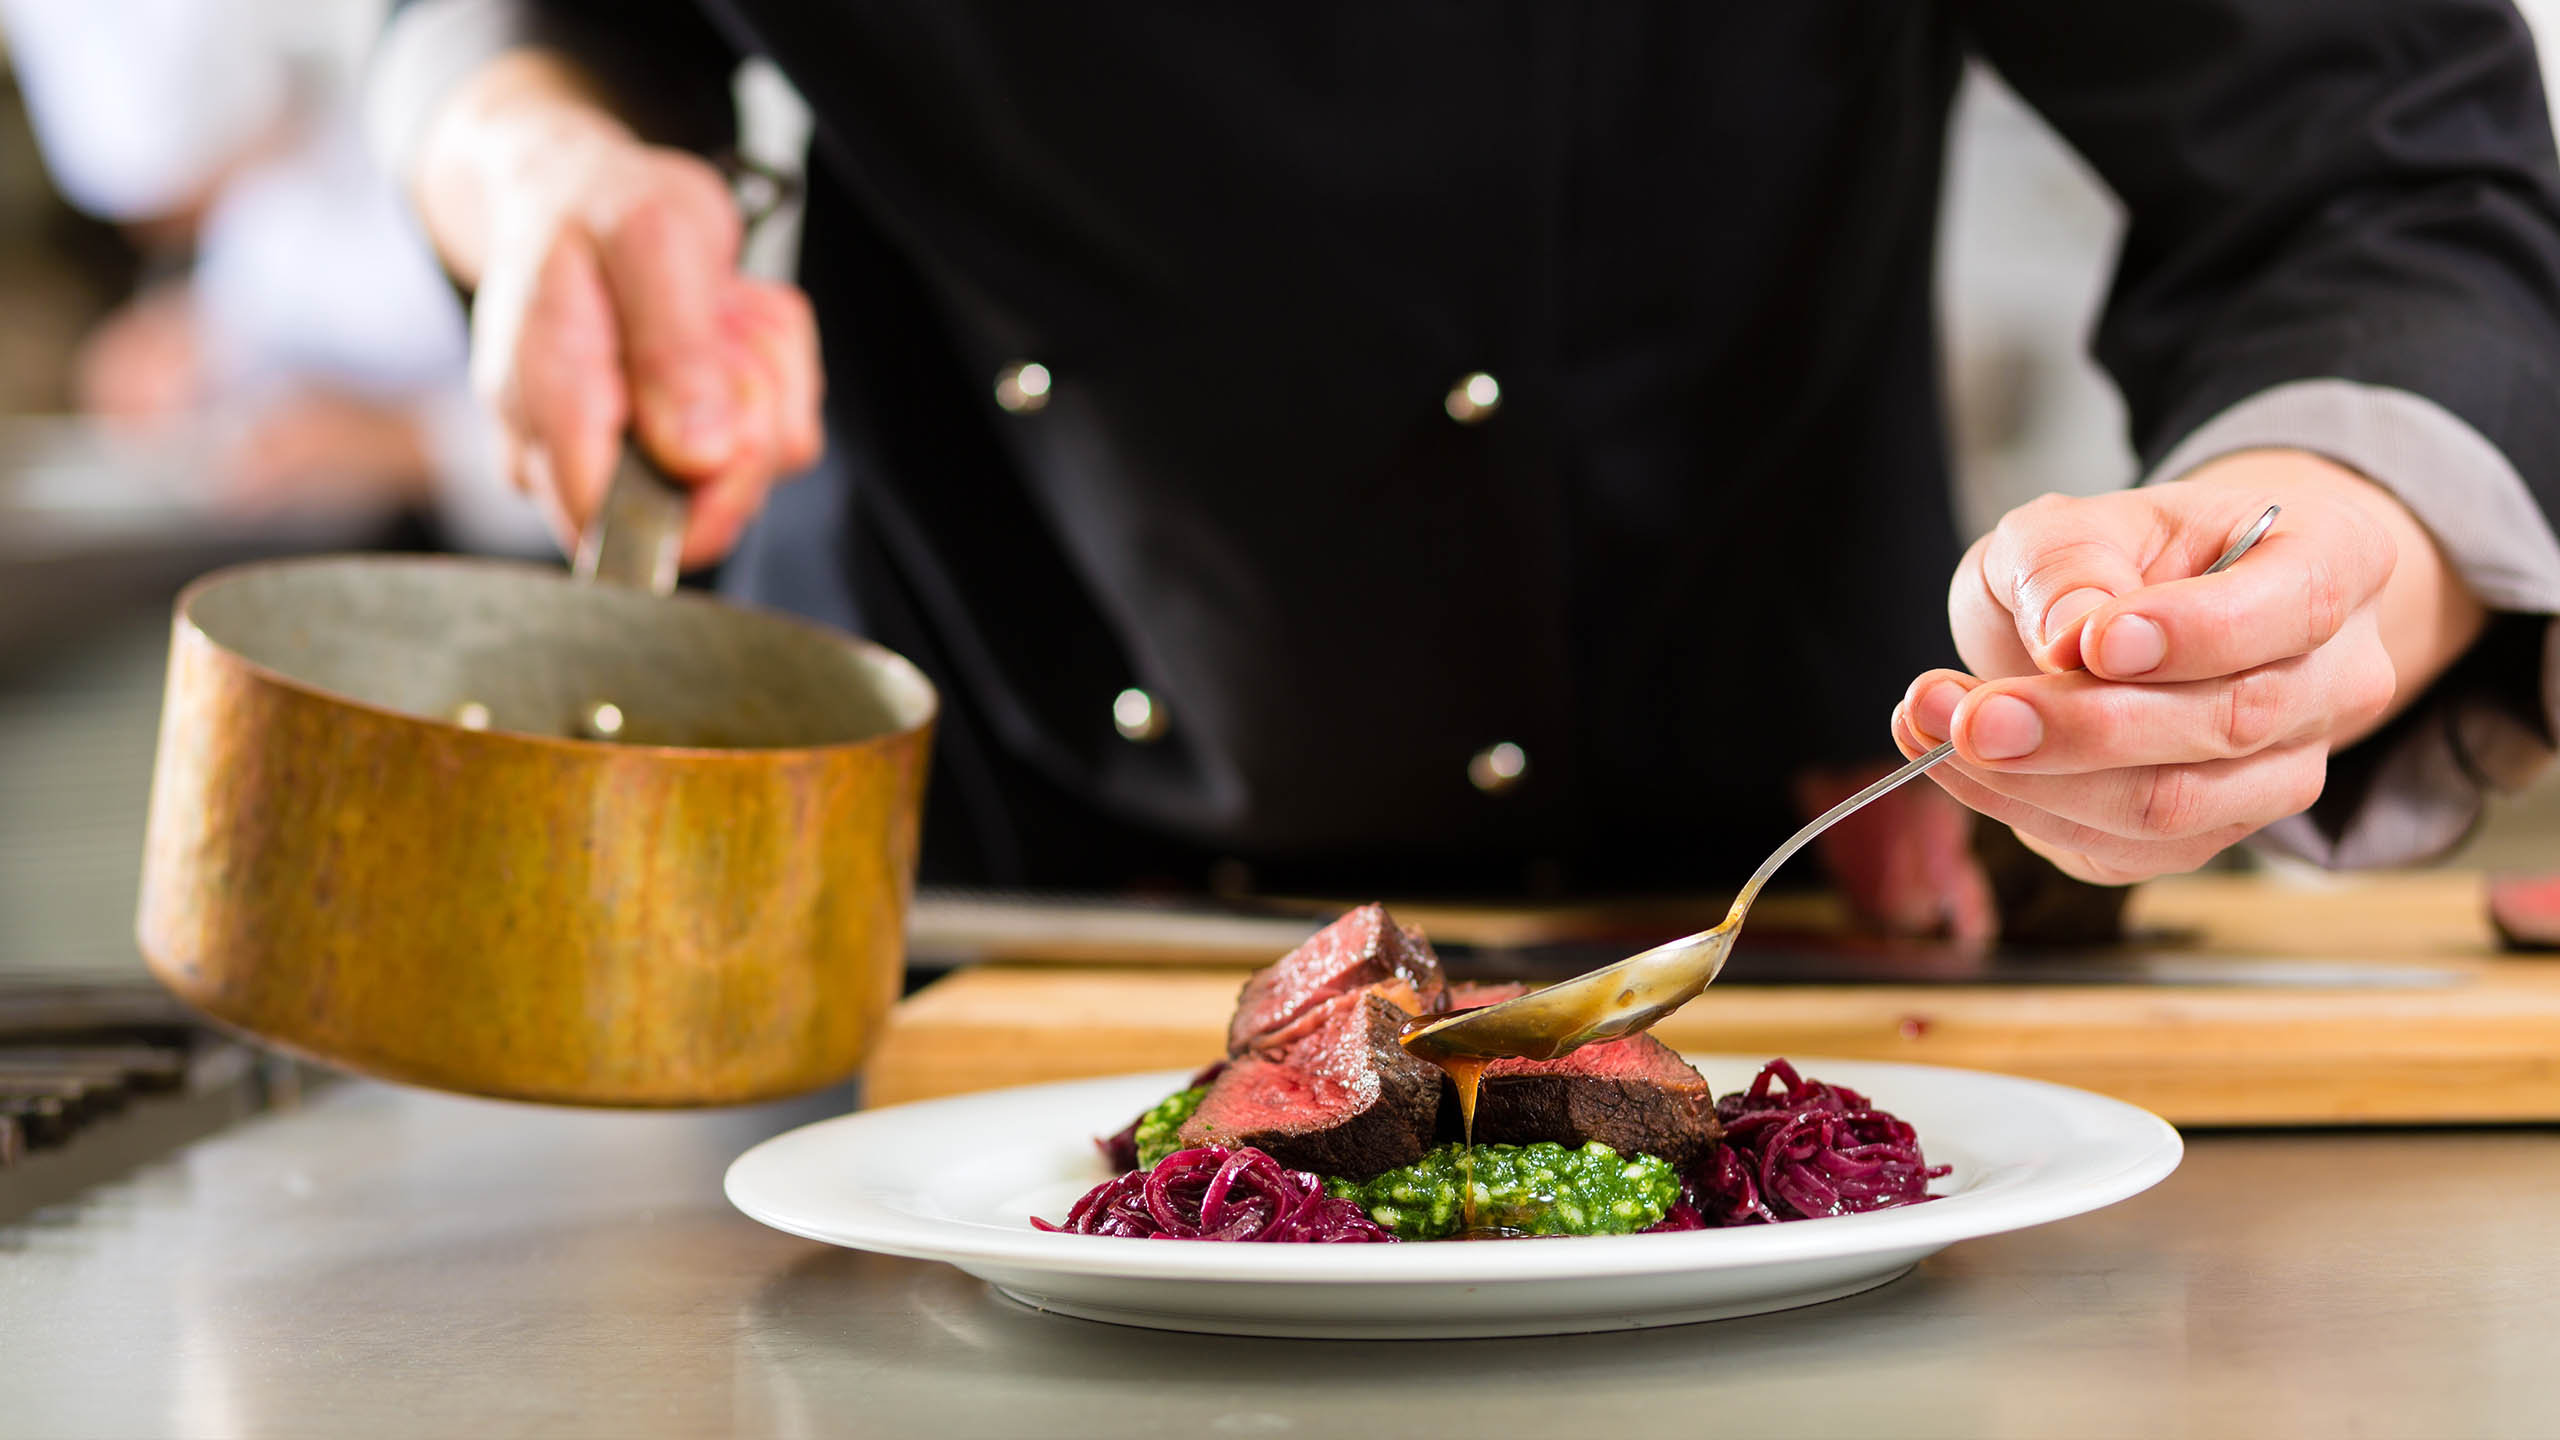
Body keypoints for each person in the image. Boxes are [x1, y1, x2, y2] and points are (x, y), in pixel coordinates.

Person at [369, 1, 2560, 927]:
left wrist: (2305, 586)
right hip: (946, 902)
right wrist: (534, 152)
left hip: (1785, 894)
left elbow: (2370, 178)